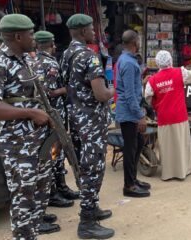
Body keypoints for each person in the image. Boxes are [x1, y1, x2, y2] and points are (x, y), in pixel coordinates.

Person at [0, 14, 60, 239]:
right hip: (18, 149)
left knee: (40, 199)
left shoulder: (26, 60)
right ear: (17, 36)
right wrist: (30, 113)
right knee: (24, 204)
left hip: (38, 146)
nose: (34, 38)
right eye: (30, 33)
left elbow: (23, 97)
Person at [60, 13, 114, 239]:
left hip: (75, 119)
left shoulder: (66, 54)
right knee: (93, 168)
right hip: (91, 121)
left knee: (84, 166)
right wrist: (113, 91)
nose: (95, 32)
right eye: (92, 28)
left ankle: (93, 208)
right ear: (83, 32)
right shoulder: (88, 56)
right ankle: (87, 223)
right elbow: (101, 94)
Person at [33, 30, 80, 209]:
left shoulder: (34, 61)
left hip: (50, 116)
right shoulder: (48, 63)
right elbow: (48, 92)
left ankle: (61, 188)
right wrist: (66, 89)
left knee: (56, 154)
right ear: (51, 44)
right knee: (53, 154)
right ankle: (53, 193)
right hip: (52, 116)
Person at [145, 50, 191, 180]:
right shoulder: (180, 72)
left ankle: (168, 173)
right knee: (181, 143)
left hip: (164, 117)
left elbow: (147, 97)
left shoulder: (153, 80)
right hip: (179, 115)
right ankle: (183, 171)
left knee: (167, 146)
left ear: (158, 63)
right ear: (170, 61)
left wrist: (155, 104)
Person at [116, 30, 151, 198]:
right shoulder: (129, 63)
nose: (140, 44)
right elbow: (129, 94)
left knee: (137, 143)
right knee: (130, 148)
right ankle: (128, 185)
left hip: (130, 110)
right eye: (139, 41)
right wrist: (140, 116)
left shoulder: (126, 60)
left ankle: (133, 179)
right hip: (129, 113)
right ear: (134, 43)